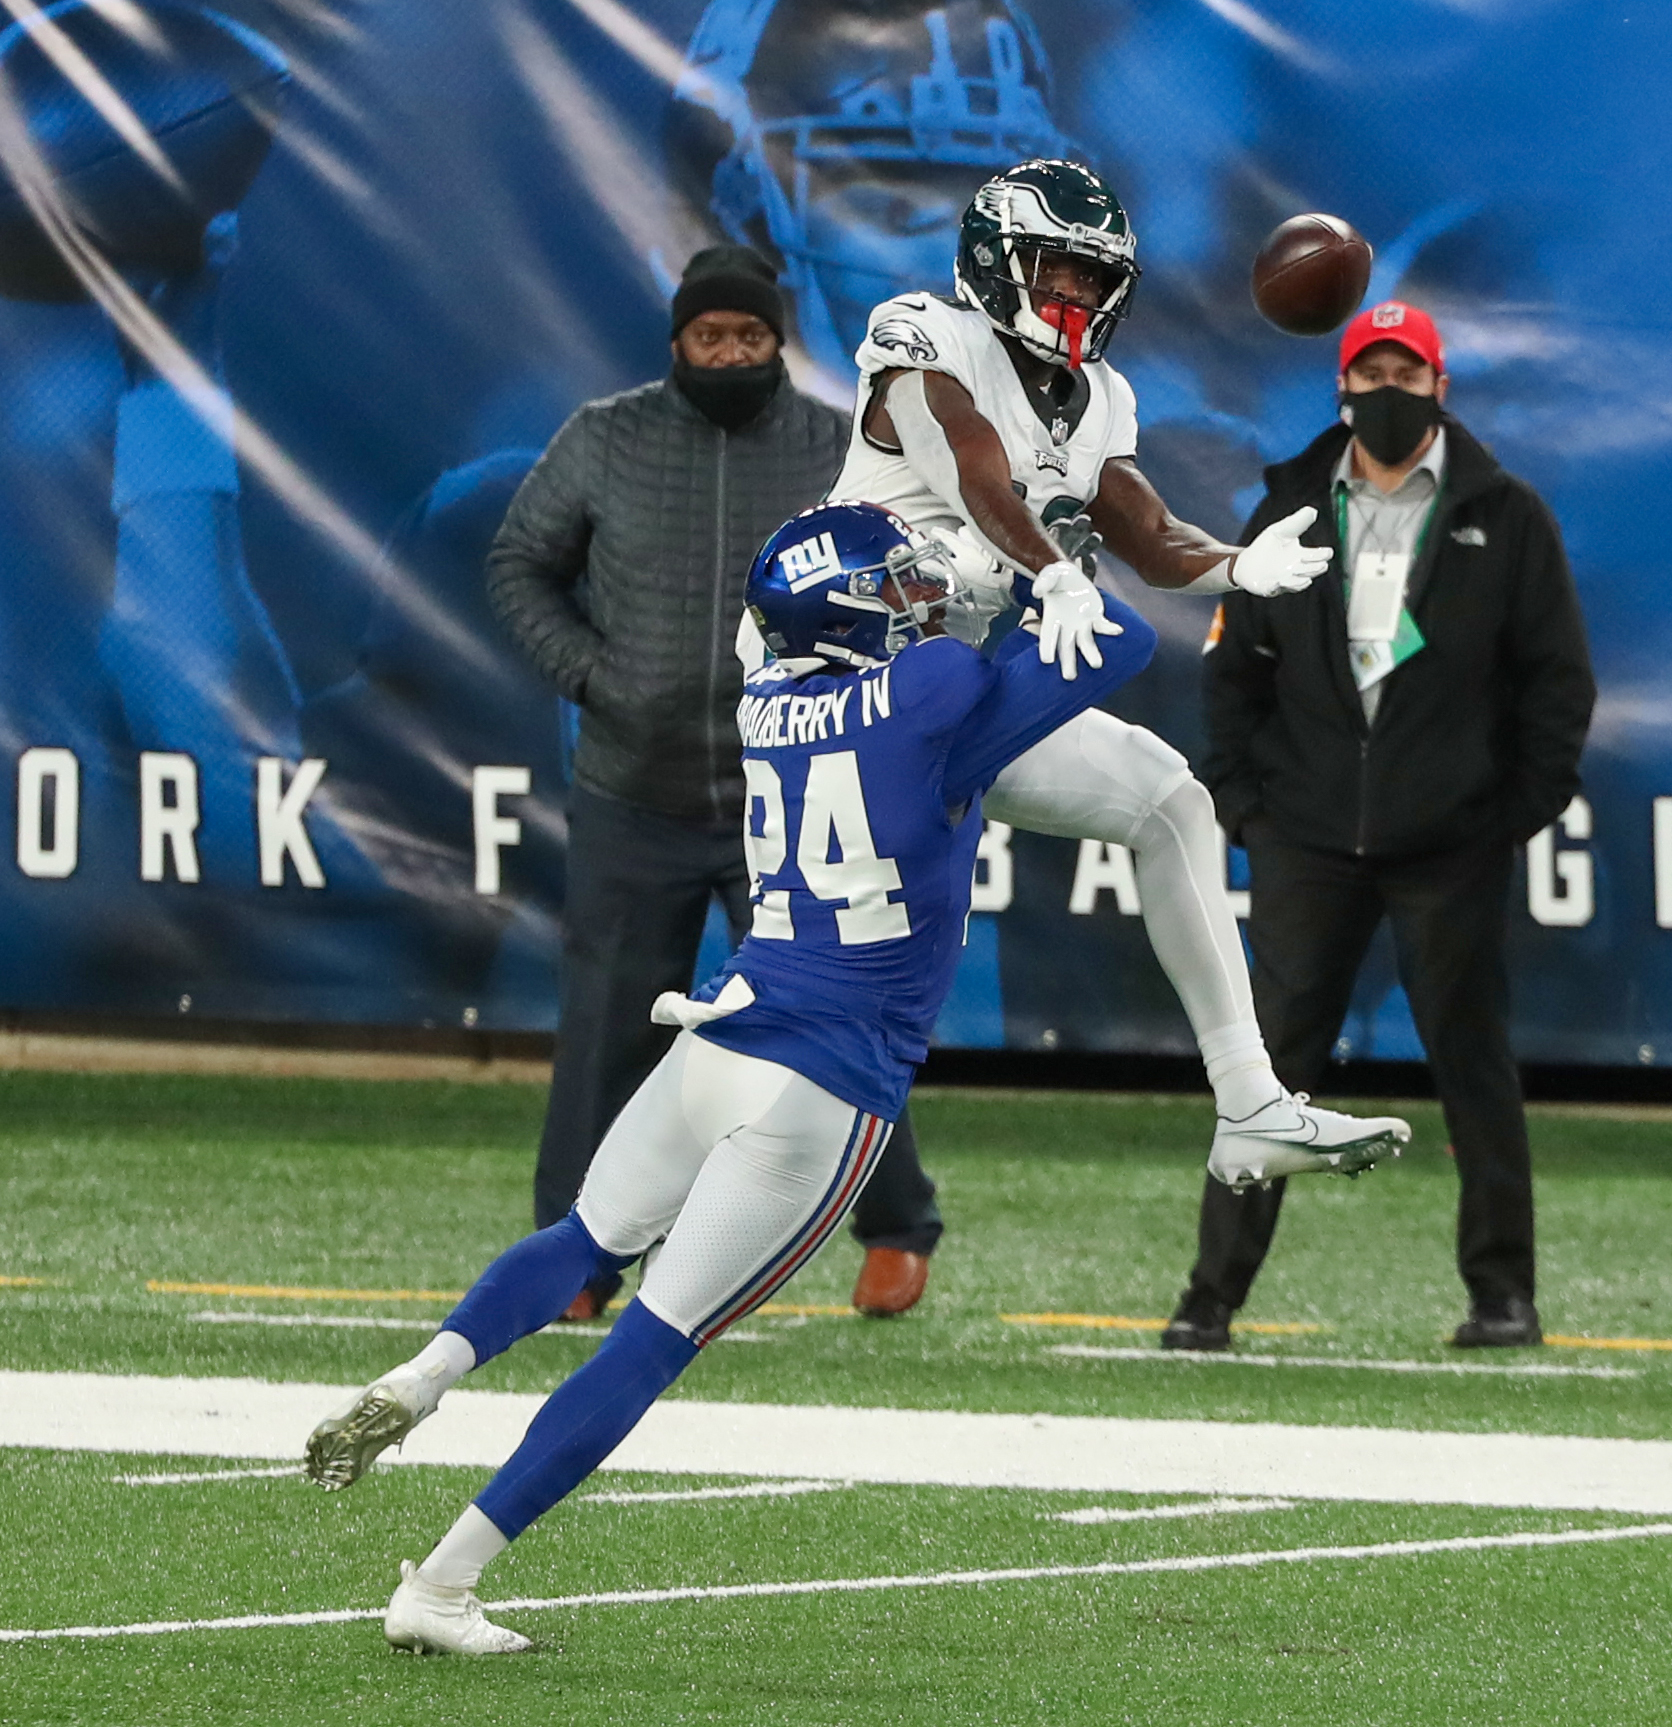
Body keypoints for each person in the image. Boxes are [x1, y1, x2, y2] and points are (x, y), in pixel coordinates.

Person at [303, 500, 1159, 1653]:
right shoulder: (932, 694)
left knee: (581, 1239)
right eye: (897, 584)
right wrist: (1050, 579)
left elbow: (866, 647)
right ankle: (442, 1584)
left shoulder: (766, 693)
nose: (919, 592)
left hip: (721, 1036)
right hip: (823, 1081)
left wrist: (986, 601)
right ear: (852, 613)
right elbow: (1123, 646)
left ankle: (425, 1371)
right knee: (652, 1338)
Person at [807, 157, 1411, 1184]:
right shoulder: (924, 333)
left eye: (1092, 278)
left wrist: (1234, 563)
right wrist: (1049, 570)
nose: (1073, 294)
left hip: (954, 692)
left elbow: (1141, 523)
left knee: (1170, 801)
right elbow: (964, 461)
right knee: (811, 1008)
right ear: (995, 259)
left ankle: (1249, 1100)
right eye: (1055, 268)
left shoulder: (1100, 398)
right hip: (839, 690)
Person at [486, 245, 945, 1319]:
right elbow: (519, 563)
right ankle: (580, 1256)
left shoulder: (840, 449)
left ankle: (896, 1227)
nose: (730, 352)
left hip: (790, 796)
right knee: (605, 1024)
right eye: (711, 336)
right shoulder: (606, 436)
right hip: (630, 787)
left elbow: (911, 584)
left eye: (748, 336)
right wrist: (596, 675)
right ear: (679, 343)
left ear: (776, 340)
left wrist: (862, 707)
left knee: (839, 1020)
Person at [1160, 301, 1596, 1352]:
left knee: (1472, 1064)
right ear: (1340, 388)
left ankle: (1503, 1294)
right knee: (1264, 1069)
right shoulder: (1289, 509)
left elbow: (1556, 680)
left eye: (1407, 373)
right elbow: (1233, 671)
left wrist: (1503, 813)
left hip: (1448, 842)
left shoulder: (1506, 512)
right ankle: (1208, 1295)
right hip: (1307, 836)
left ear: (1441, 388)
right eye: (1370, 372)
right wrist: (1248, 806)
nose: (1387, 391)